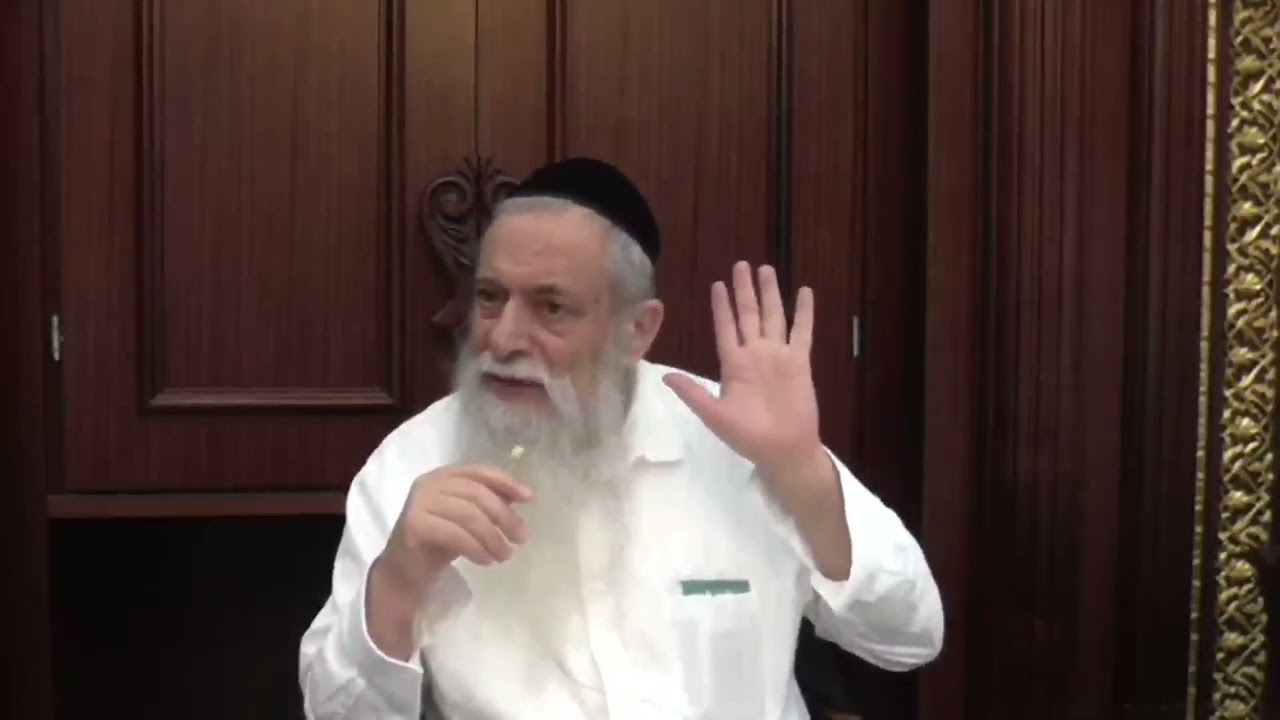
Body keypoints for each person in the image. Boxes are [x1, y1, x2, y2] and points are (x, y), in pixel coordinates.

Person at [298, 157, 943, 719]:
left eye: (551, 307)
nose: (503, 337)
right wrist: (399, 583)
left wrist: (804, 478)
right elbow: (336, 712)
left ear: (638, 331)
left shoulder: (744, 442)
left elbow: (909, 637)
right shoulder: (411, 464)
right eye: (491, 298)